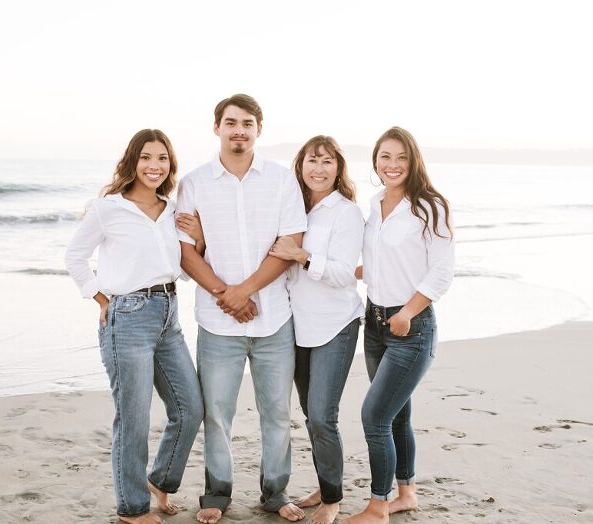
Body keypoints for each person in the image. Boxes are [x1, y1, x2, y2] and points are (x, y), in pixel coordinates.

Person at [175, 94, 308, 523]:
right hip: (216, 323)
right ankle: (216, 494)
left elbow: (291, 246)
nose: (239, 130)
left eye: (247, 123)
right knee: (217, 414)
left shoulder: (282, 180)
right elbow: (184, 250)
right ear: (216, 128)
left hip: (275, 319)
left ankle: (275, 492)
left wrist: (244, 291)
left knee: (277, 413)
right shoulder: (194, 183)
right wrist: (225, 294)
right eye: (230, 122)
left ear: (259, 129)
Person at [64, 129, 204, 524]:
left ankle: (159, 482)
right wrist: (101, 298)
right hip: (126, 319)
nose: (154, 166)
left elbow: (185, 267)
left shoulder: (172, 210)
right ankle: (132, 508)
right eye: (146, 158)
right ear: (132, 162)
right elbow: (75, 256)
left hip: (169, 313)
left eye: (162, 159)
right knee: (134, 419)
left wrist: (199, 237)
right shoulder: (107, 208)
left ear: (170, 166)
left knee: (189, 408)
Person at [343, 127, 455, 523]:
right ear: (375, 161)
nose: (392, 165)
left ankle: (378, 505)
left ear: (413, 161)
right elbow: (382, 260)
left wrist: (408, 311)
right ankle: (405, 493)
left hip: (412, 325)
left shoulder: (429, 206)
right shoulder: (374, 204)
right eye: (385, 157)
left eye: (400, 157)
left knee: (375, 417)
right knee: (398, 413)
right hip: (374, 322)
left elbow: (442, 271)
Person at [268, 135, 365, 524]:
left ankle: (333, 500)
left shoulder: (346, 213)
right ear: (301, 165)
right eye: (312, 160)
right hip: (295, 326)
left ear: (338, 168)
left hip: (335, 325)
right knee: (312, 416)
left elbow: (344, 274)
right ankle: (326, 484)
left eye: (327, 162)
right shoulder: (292, 209)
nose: (319, 169)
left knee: (323, 416)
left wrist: (302, 256)